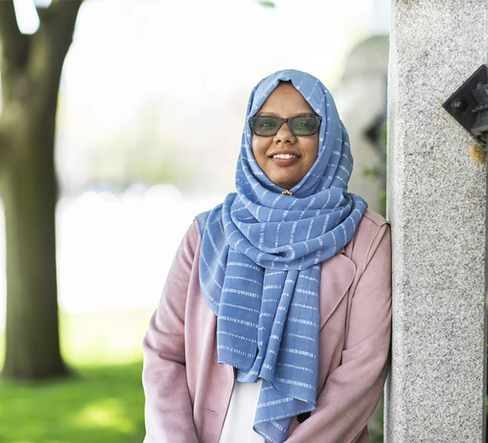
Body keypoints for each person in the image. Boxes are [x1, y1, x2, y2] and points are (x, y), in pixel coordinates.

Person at [142, 69, 392, 443]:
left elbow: (360, 376)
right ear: (250, 135)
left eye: (304, 123)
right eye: (266, 123)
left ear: (329, 137)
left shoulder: (366, 238)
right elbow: (164, 353)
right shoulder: (208, 232)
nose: (283, 136)